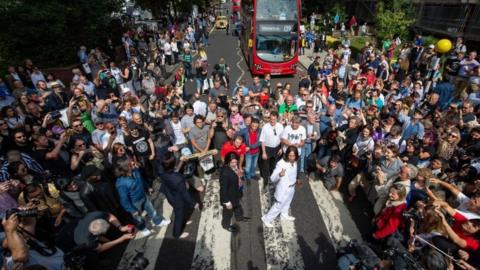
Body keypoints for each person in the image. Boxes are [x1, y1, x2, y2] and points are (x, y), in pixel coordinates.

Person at [115, 158, 170, 237]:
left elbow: (141, 180)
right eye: (132, 164)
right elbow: (124, 200)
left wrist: (147, 187)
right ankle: (142, 228)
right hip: (134, 204)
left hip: (144, 196)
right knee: (138, 219)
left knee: (152, 211)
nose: (134, 163)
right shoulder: (121, 183)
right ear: (126, 168)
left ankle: (158, 222)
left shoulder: (136, 171)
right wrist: (132, 210)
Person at [261, 146, 300, 227]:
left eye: (293, 156)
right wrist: (279, 174)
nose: (292, 158)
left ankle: (284, 215)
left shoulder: (295, 161)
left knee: (287, 202)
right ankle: (267, 218)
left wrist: (297, 180)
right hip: (284, 189)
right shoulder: (281, 163)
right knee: (278, 206)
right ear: (287, 155)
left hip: (292, 187)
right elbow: (272, 178)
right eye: (290, 155)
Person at [159, 155, 196, 239]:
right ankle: (177, 234)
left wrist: (181, 161)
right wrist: (194, 203)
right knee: (178, 215)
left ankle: (184, 221)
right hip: (177, 199)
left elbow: (174, 170)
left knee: (182, 211)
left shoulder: (162, 171)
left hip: (170, 195)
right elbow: (185, 194)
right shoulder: (177, 179)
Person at [220, 152, 250, 232]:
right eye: (232, 162)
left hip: (236, 193)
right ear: (228, 161)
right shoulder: (225, 173)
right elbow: (223, 189)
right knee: (227, 213)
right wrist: (227, 202)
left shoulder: (235, 167)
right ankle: (225, 225)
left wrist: (240, 175)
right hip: (229, 197)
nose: (234, 164)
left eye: (235, 162)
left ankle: (239, 217)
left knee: (237, 206)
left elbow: (240, 178)